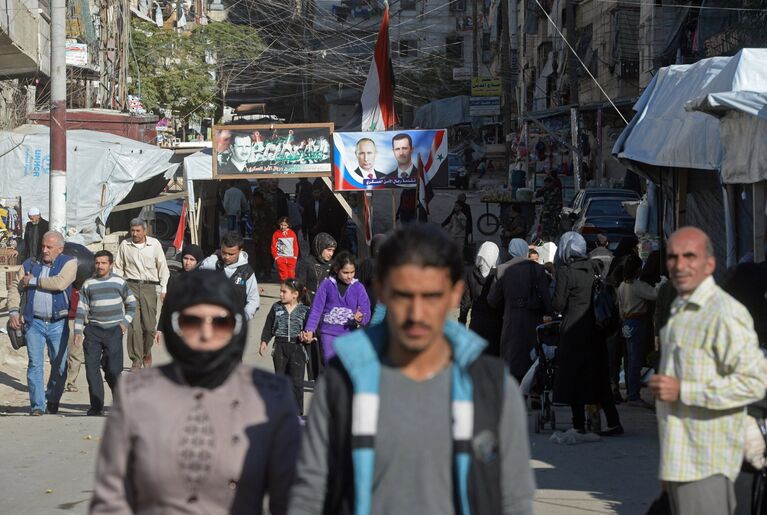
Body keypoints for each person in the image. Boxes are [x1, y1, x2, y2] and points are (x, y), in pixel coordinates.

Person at [288, 224, 536, 515]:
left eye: (431, 294)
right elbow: (312, 491)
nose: (417, 311)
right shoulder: (342, 383)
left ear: (455, 293)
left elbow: (512, 499)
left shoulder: (492, 388)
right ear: (382, 290)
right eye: (403, 293)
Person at [90, 270, 300, 515]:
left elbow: (292, 500)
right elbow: (111, 500)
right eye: (192, 322)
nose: (206, 334)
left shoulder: (270, 395)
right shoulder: (137, 394)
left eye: (221, 322)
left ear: (237, 326)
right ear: (174, 324)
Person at [648, 227, 764, 515]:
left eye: (690, 257)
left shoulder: (725, 312)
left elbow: (752, 384)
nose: (680, 265)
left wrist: (684, 391)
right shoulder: (683, 312)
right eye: (674, 257)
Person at [553, 232, 623, 435]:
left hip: (573, 331)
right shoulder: (594, 268)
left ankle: (579, 424)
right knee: (599, 378)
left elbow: (558, 304)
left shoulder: (566, 272)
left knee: (574, 378)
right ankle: (613, 421)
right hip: (595, 330)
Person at [8, 231, 77, 415]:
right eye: (43, 246)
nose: (45, 250)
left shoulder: (69, 263)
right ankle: (37, 405)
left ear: (60, 249)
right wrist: (14, 310)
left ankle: (52, 399)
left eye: (49, 247)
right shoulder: (30, 264)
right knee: (35, 364)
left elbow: (60, 283)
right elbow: (16, 286)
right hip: (34, 323)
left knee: (60, 365)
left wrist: (34, 281)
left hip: (58, 323)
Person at [74, 251, 137, 416]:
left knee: (113, 371)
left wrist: (124, 324)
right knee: (91, 369)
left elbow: (131, 305)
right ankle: (96, 406)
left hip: (113, 331)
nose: (100, 266)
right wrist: (78, 330)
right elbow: (82, 308)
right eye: (97, 263)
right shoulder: (88, 284)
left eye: (103, 263)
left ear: (110, 264)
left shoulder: (119, 282)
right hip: (93, 331)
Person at [488, 238, 553, 382]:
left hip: (511, 319)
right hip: (532, 319)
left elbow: (492, 300)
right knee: (531, 357)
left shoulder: (503, 269)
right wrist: (550, 313)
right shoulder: (537, 269)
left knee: (512, 357)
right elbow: (546, 297)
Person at [114, 218, 170, 370]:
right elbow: (118, 268)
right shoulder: (125, 245)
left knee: (150, 326)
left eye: (138, 231)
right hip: (130, 286)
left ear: (145, 231)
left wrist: (164, 288)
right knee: (134, 326)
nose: (135, 233)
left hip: (149, 288)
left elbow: (163, 267)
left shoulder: (154, 244)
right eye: (133, 230)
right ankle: (136, 360)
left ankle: (146, 352)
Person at [301, 251, 371, 364]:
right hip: (328, 334)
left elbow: (366, 310)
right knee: (332, 367)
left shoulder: (358, 287)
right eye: (345, 272)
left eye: (352, 272)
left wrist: (361, 317)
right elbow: (316, 309)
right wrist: (310, 329)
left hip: (350, 335)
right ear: (337, 269)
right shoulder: (327, 285)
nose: (349, 276)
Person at [260, 277, 311, 415]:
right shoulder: (276, 307)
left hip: (297, 348)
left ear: (295, 294)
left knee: (297, 383)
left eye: (284, 292)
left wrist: (308, 337)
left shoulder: (305, 310)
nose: (280, 294)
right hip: (280, 348)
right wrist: (264, 341)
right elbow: (268, 326)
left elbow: (310, 330)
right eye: (280, 291)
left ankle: (298, 413)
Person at [616, 254, 657, 408]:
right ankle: (634, 395)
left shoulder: (622, 286)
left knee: (629, 360)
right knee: (635, 361)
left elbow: (620, 308)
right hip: (637, 322)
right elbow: (654, 294)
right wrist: (663, 284)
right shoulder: (637, 286)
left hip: (626, 322)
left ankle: (631, 393)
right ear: (636, 270)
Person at [199, 231, 260, 321]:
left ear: (240, 251)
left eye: (231, 254)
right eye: (224, 252)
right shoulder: (210, 264)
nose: (226, 257)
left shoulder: (247, 272)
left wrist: (243, 318)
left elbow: (253, 300)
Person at [459, 241, 503, 356]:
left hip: (476, 324)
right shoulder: (497, 275)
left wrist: (462, 322)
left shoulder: (471, 274)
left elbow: (465, 302)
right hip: (496, 325)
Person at [296, 232, 337, 304]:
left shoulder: (333, 264)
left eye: (333, 250)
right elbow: (299, 285)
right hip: (310, 304)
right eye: (329, 250)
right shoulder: (306, 262)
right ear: (320, 248)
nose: (331, 254)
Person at [535, 174, 562, 241]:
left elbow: (560, 203)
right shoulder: (545, 190)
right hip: (545, 214)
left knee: (553, 231)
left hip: (553, 214)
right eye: (545, 183)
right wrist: (543, 189)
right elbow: (537, 195)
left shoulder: (556, 190)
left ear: (551, 183)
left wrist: (557, 213)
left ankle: (552, 243)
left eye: (548, 183)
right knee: (544, 231)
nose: (547, 184)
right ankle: (545, 243)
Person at [271, 216, 299, 281]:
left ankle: (291, 290)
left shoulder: (292, 233)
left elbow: (295, 246)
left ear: (288, 225)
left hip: (291, 258)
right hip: (281, 258)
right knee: (283, 276)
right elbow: (273, 246)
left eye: (285, 225)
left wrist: (295, 257)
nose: (282, 227)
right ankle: (284, 290)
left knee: (291, 276)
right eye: (281, 224)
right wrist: (276, 257)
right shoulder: (276, 234)